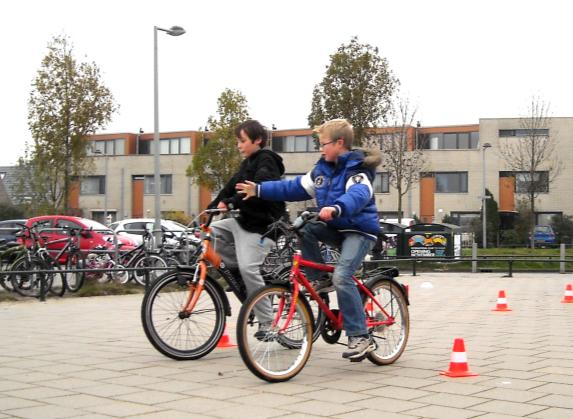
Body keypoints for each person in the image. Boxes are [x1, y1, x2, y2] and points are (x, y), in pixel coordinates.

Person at [237, 118, 382, 361]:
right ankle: (319, 278)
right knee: (306, 227)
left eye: (323, 143)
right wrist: (259, 190)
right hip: (337, 228)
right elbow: (292, 188)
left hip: (359, 230)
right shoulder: (321, 170)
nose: (320, 148)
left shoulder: (357, 169)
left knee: (343, 276)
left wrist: (337, 208)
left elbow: (359, 195)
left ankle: (361, 337)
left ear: (339, 143)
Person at [207, 119, 286, 333]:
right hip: (244, 222)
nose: (239, 145)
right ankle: (240, 275)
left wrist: (232, 202)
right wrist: (213, 206)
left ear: (258, 139)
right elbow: (230, 187)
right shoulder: (247, 164)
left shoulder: (267, 160)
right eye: (237, 141)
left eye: (242, 140)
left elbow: (257, 188)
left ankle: (268, 324)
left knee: (248, 268)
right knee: (211, 233)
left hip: (265, 225)